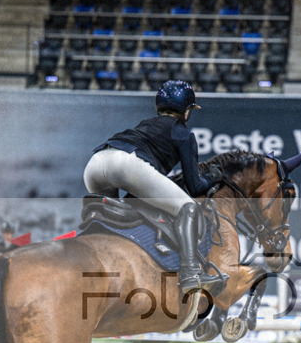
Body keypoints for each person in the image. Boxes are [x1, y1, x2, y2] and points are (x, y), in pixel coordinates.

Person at [83, 79, 226, 295]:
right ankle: (190, 273)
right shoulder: (183, 134)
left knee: (113, 218)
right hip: (126, 165)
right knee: (188, 208)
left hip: (95, 164)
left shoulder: (145, 124)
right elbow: (195, 186)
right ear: (187, 112)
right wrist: (212, 178)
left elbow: (139, 191)